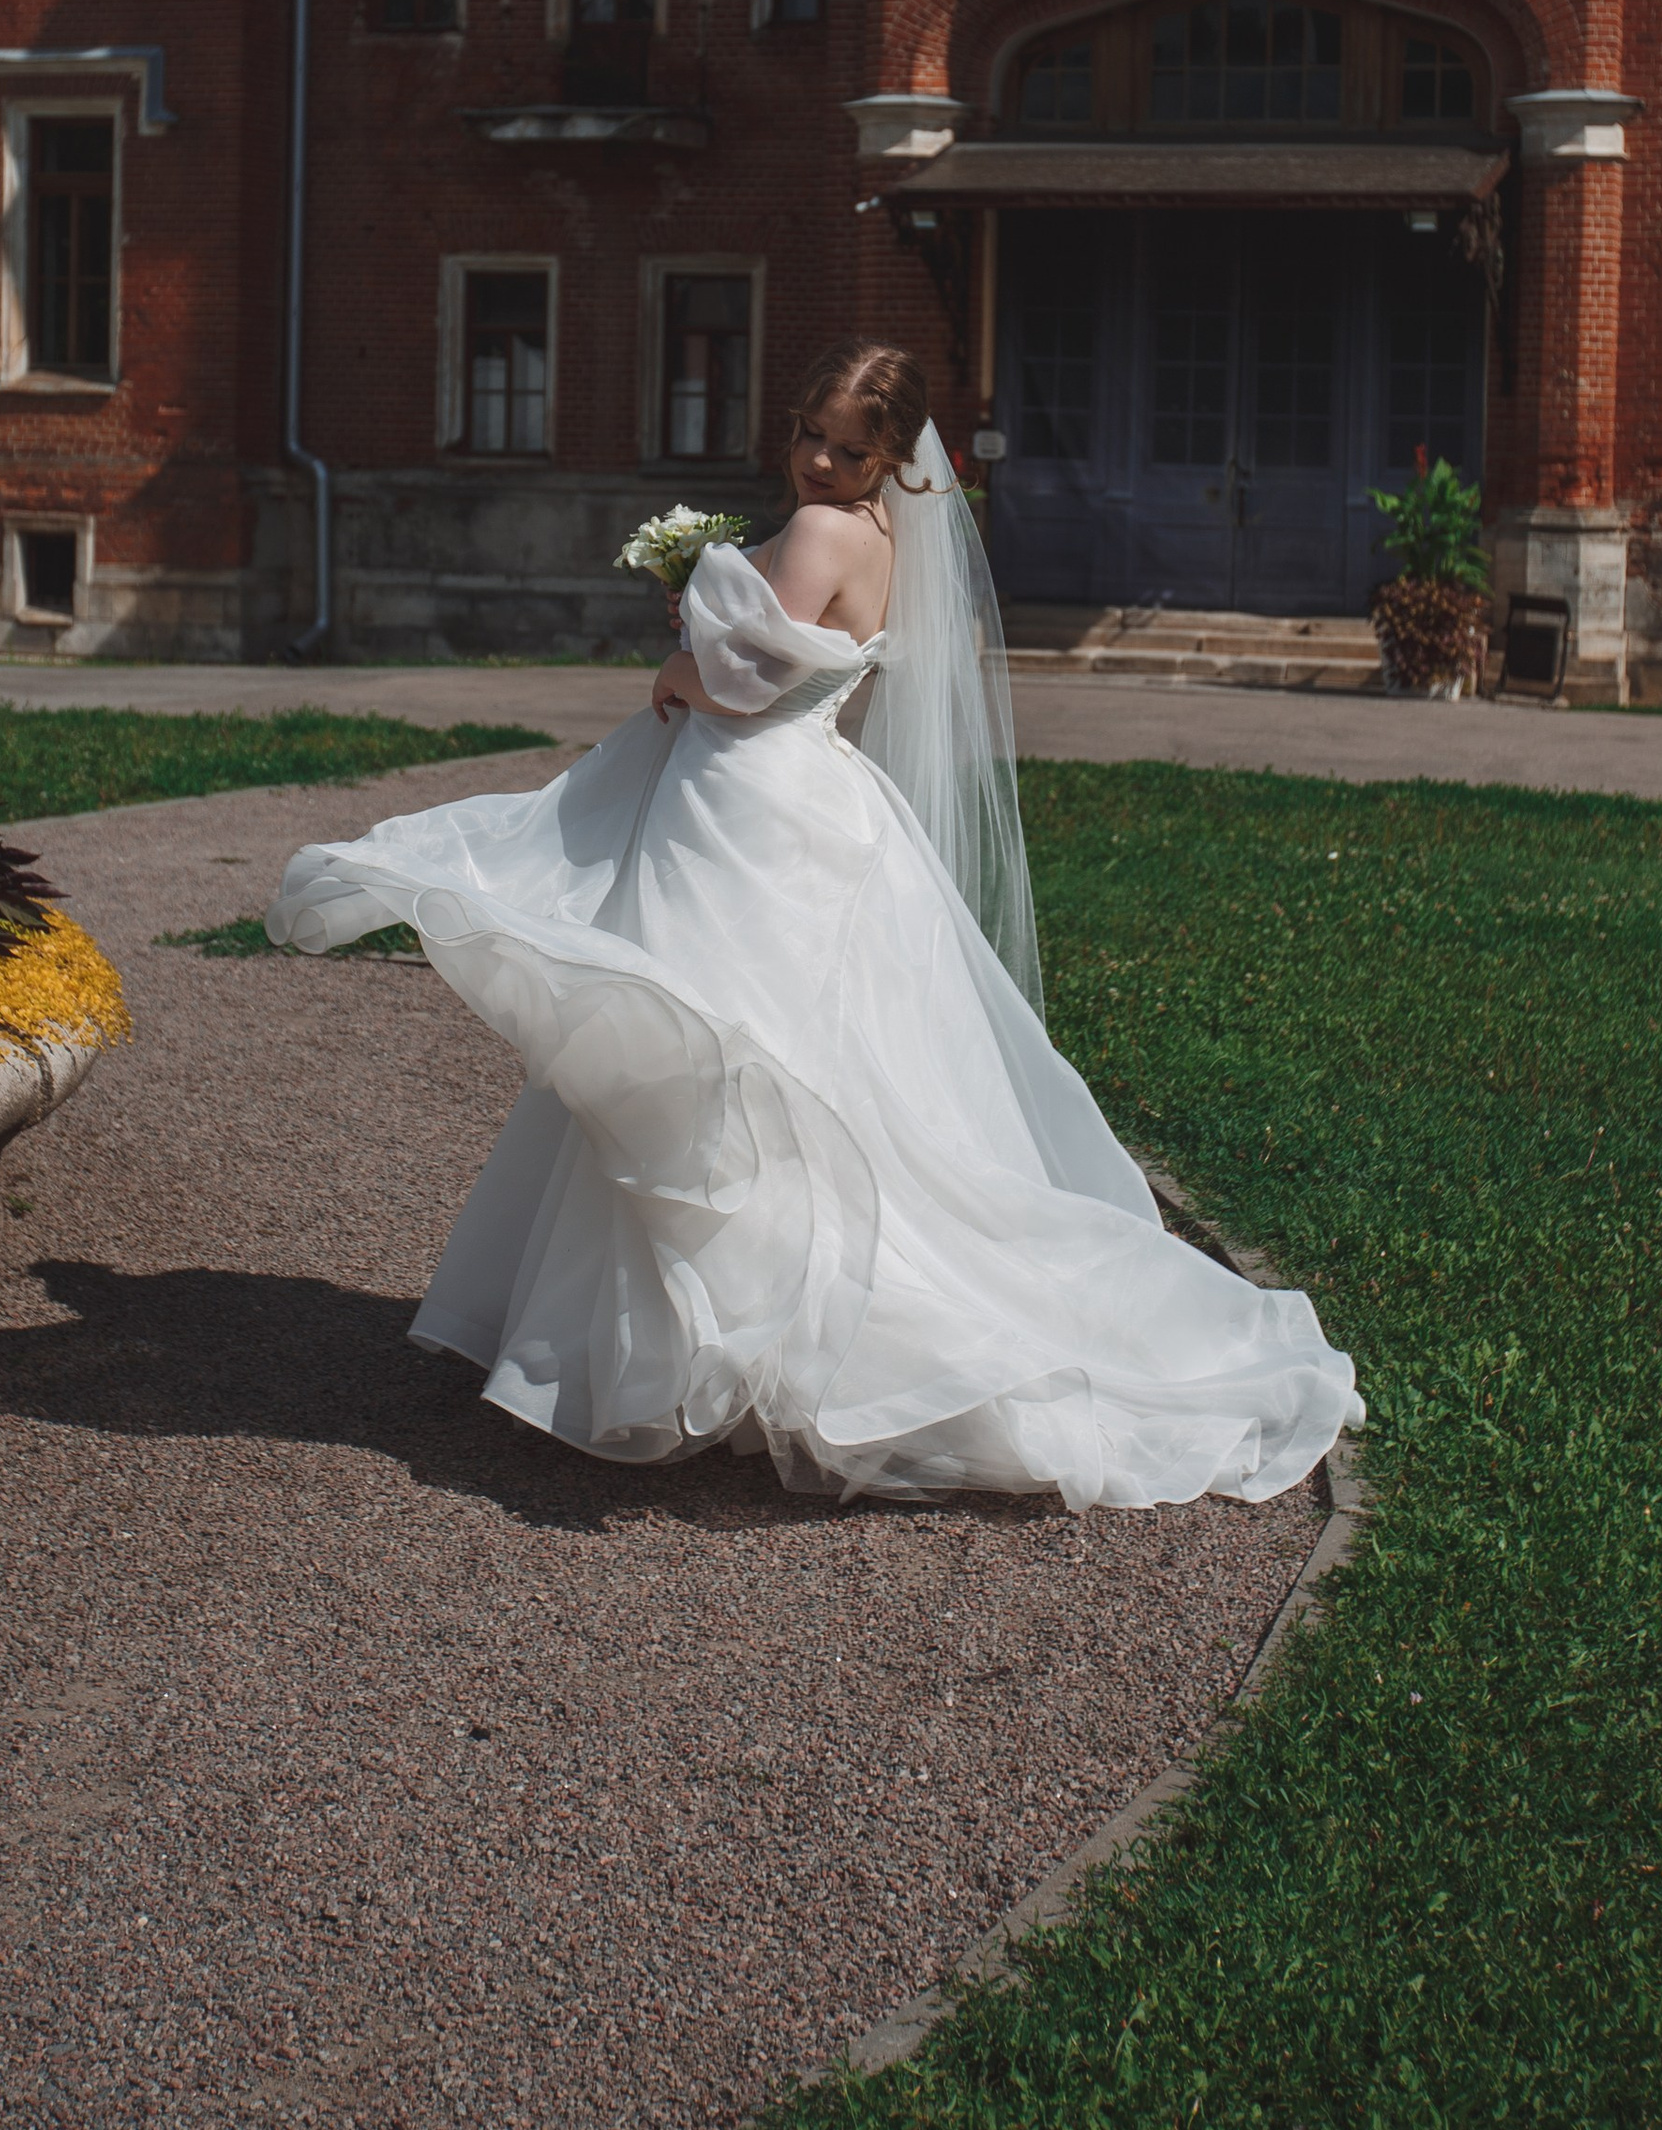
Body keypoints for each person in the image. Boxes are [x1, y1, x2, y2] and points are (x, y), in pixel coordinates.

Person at [267, 340, 1362, 1509]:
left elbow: (744, 678)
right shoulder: (888, 541)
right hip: (817, 800)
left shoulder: (822, 532)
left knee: (702, 1050)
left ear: (890, 455)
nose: (823, 461)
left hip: (744, 807)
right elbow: (828, 674)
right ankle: (710, 1342)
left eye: (850, 447)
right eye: (812, 435)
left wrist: (681, 671)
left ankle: (712, 1351)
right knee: (784, 1058)